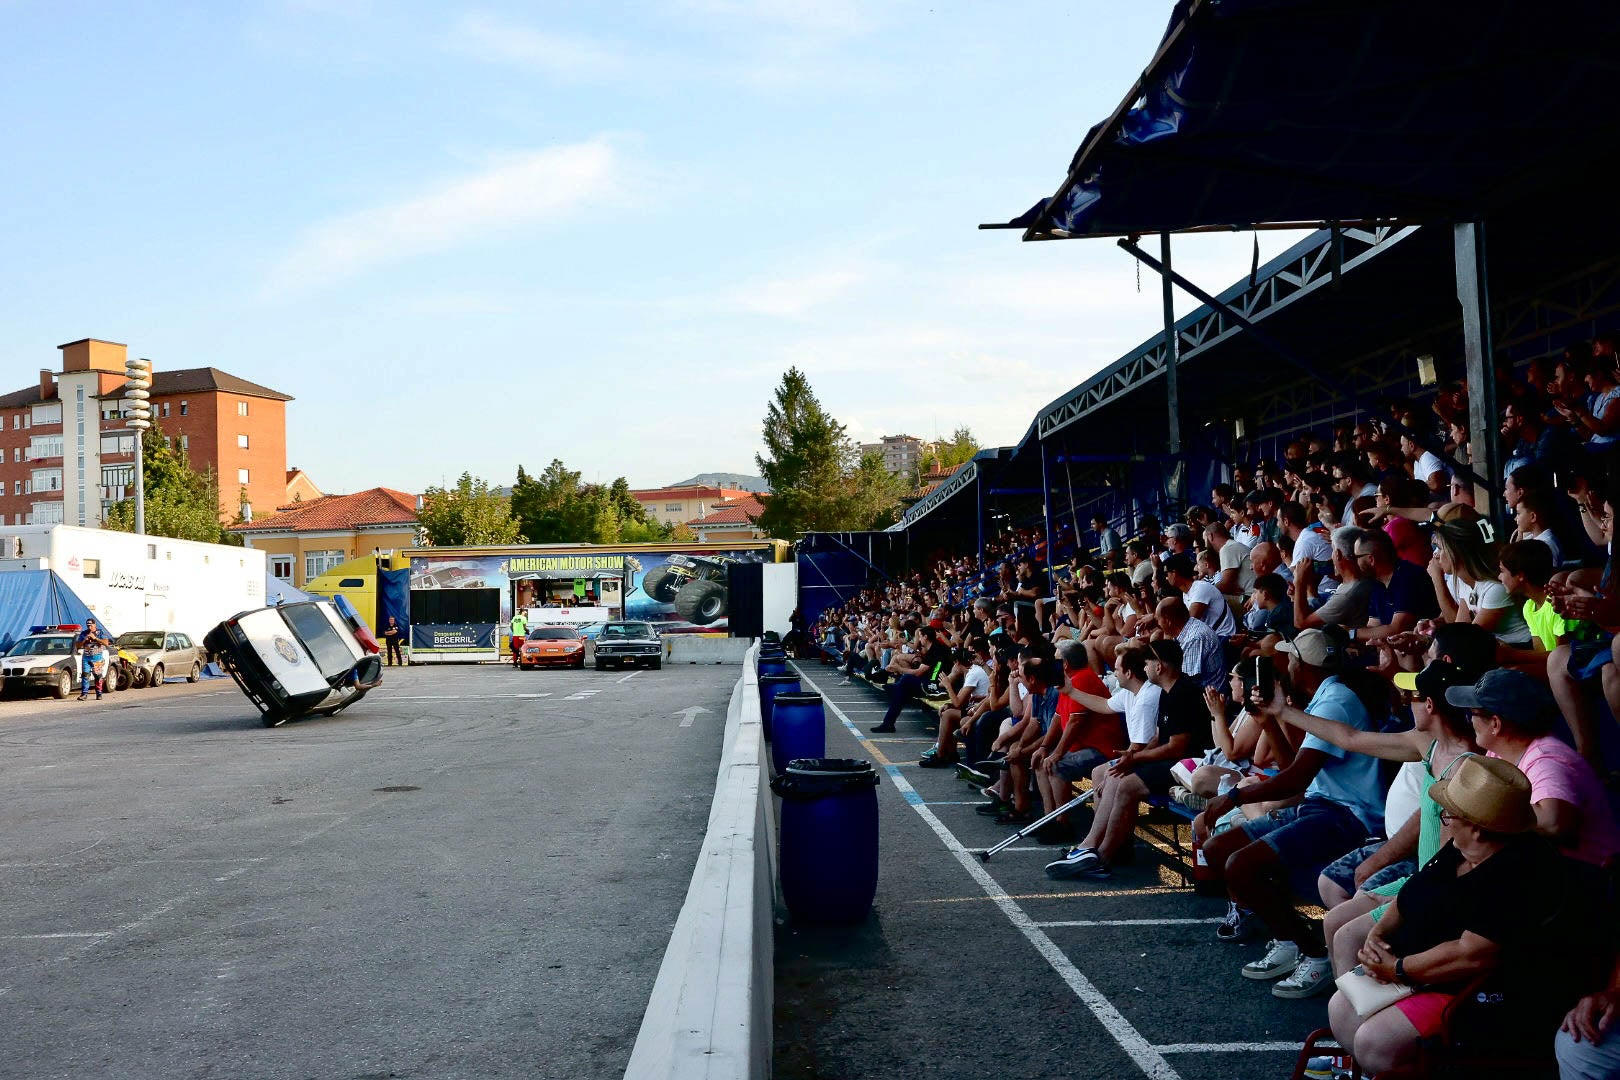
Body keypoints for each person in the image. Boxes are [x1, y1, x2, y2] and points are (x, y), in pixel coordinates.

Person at [1326, 755, 1588, 1076]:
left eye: (1450, 815)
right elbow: (1412, 892)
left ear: (1477, 829)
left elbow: (1470, 955)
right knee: (1341, 1008)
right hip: (1420, 971)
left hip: (1474, 994)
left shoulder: (1521, 874)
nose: (1444, 821)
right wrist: (1377, 935)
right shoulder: (1464, 848)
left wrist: (1397, 969)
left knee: (1374, 1042)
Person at [1198, 626, 1389, 999]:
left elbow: (1294, 779)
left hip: (1347, 816)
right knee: (1220, 849)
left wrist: (1234, 797)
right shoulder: (1326, 694)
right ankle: (1289, 939)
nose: (1284, 664)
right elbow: (1294, 772)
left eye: (1290, 658)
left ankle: (1313, 953)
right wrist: (1270, 719)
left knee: (1241, 864)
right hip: (1320, 806)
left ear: (1303, 665)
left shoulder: (1335, 701)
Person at [1045, 638, 1210, 879]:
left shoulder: (1181, 693)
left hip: (1188, 765)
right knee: (1114, 775)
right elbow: (1157, 737)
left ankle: (1101, 855)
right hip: (1173, 761)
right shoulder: (1168, 690)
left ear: (1159, 666)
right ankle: (1091, 848)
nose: (1145, 666)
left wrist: (1135, 758)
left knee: (1124, 783)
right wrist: (1134, 756)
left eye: (1149, 662)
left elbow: (1176, 748)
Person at [76, 618, 109, 701]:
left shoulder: (100, 632)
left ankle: (99, 693)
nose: (89, 627)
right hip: (86, 657)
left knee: (97, 675)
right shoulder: (84, 633)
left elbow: (106, 643)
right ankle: (84, 694)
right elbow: (78, 646)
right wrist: (84, 640)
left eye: (91, 625)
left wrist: (95, 638)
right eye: (88, 625)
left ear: (95, 625)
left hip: (97, 657)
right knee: (85, 675)